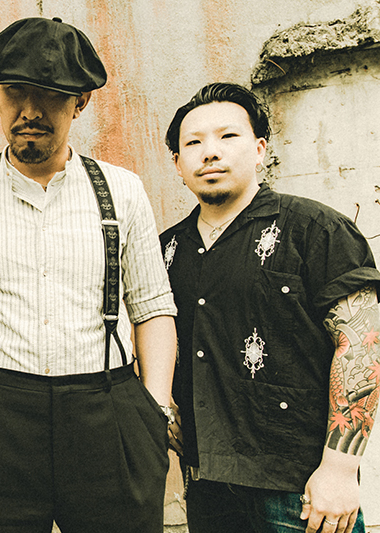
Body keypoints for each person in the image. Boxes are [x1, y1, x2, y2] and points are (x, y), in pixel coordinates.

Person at [0, 17, 178, 533]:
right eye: (16, 92)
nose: (30, 111)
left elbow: (153, 308)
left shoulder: (123, 189)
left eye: (49, 95)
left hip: (107, 411)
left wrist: (153, 411)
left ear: (79, 102)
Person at [160, 82, 380, 533]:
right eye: (193, 143)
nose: (210, 152)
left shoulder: (315, 228)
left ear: (260, 149)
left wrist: (339, 471)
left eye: (228, 136)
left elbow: (363, 344)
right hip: (208, 485)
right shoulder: (165, 250)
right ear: (178, 163)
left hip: (300, 489)